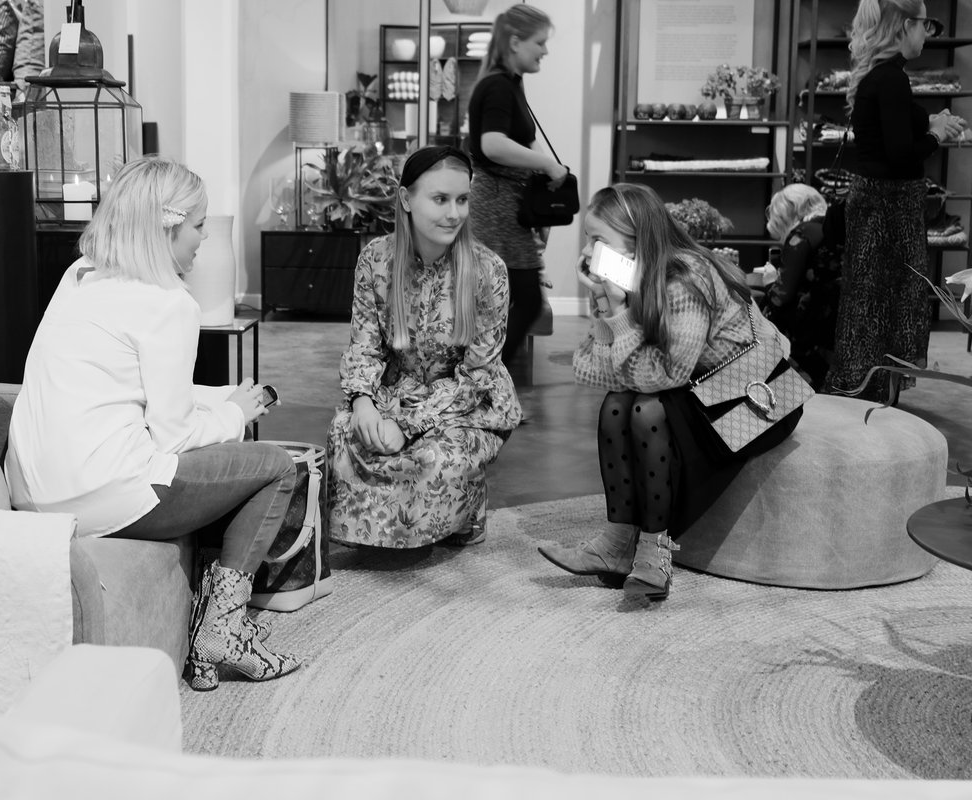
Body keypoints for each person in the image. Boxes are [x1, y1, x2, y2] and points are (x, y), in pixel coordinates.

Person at [4, 155, 302, 692]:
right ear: (167, 227)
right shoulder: (169, 304)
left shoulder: (79, 278)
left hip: (32, 494)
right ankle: (222, 632)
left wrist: (221, 400)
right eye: (199, 225)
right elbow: (174, 436)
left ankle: (214, 619)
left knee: (223, 436)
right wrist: (236, 415)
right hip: (105, 495)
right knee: (276, 466)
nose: (204, 238)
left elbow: (130, 388)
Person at [537, 183, 803, 603]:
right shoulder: (628, 279)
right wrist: (609, 306)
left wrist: (620, 319)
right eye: (588, 238)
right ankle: (616, 543)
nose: (586, 252)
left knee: (646, 409)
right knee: (617, 405)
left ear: (636, 240)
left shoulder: (685, 279)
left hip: (755, 399)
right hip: (702, 390)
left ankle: (653, 549)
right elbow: (588, 368)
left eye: (597, 239)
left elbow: (665, 374)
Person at [326, 146, 522, 549]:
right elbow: (364, 345)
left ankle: (465, 512)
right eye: (440, 199)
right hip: (396, 391)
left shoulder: (489, 272)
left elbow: (477, 379)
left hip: (465, 405)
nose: (454, 213)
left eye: (462, 199)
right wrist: (363, 403)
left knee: (435, 459)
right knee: (345, 435)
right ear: (405, 199)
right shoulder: (375, 260)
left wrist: (405, 426)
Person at [824, 0, 965, 403]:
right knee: (885, 303)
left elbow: (896, 128)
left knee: (872, 301)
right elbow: (901, 153)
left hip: (879, 205)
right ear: (904, 26)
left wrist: (931, 122)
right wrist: (936, 136)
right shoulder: (891, 80)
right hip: (888, 208)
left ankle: (862, 389)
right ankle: (866, 392)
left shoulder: (883, 76)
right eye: (925, 24)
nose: (927, 34)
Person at [467, 4, 569, 373]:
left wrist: (544, 175)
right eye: (540, 42)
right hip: (496, 209)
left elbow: (521, 141)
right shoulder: (498, 85)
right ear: (514, 42)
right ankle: (487, 380)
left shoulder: (508, 83)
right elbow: (492, 144)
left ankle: (486, 379)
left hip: (505, 208)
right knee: (523, 300)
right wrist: (546, 165)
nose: (545, 50)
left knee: (512, 300)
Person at [760, 183, 844, 388]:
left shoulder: (802, 234)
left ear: (787, 214)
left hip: (806, 330)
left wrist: (769, 282)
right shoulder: (835, 227)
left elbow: (782, 296)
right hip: (836, 324)